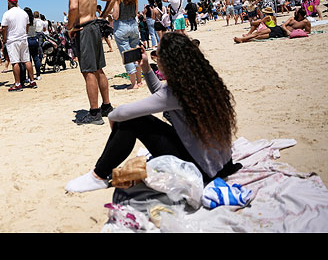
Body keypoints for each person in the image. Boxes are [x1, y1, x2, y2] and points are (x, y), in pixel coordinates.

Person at [65, 33, 241, 193]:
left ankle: (98, 176)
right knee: (131, 118)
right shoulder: (200, 80)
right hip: (222, 164)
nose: (156, 58)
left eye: (157, 55)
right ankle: (100, 174)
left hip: (202, 172)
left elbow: (126, 111)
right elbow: (160, 93)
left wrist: (113, 117)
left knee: (131, 121)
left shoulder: (176, 93)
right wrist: (147, 68)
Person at [65, 0, 115, 125]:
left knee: (88, 71)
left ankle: (94, 113)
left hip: (84, 29)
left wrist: (70, 27)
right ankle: (106, 106)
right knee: (99, 69)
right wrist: (103, 17)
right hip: (94, 27)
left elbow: (73, 8)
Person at [0, 0, 37, 92]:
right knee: (27, 60)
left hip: (12, 40)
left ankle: (17, 83)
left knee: (15, 62)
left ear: (8, 3)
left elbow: (4, 29)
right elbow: (27, 26)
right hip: (23, 38)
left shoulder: (7, 14)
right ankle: (32, 81)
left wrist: (4, 40)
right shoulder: (23, 13)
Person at [112, 0, 143, 90]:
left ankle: (133, 83)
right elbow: (135, 12)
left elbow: (115, 15)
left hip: (122, 25)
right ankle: (140, 81)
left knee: (127, 55)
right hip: (133, 25)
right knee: (136, 53)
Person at [24, 7, 43, 81]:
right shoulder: (34, 20)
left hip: (27, 39)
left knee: (28, 60)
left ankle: (29, 76)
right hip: (34, 38)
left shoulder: (25, 21)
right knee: (36, 58)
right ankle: (38, 75)